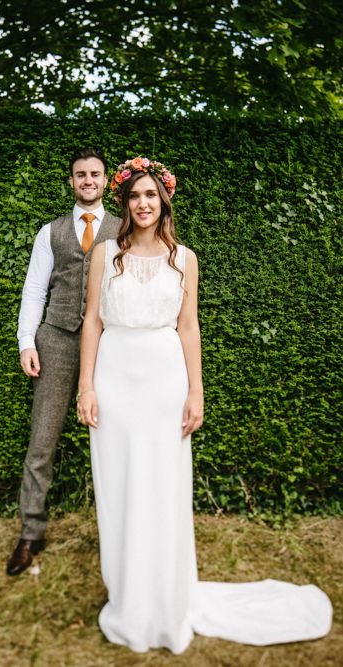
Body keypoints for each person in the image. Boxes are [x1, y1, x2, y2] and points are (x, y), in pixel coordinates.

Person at [76, 156, 332, 653]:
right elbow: (91, 322)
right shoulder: (104, 254)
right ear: (124, 203)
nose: (143, 203)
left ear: (163, 200)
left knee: (164, 487)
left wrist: (196, 390)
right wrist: (86, 387)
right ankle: (130, 596)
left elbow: (188, 326)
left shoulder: (185, 258)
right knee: (120, 485)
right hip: (115, 379)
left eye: (151, 195)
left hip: (164, 380)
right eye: (135, 196)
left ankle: (167, 598)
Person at [7, 148, 122, 576]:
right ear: (71, 182)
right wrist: (26, 342)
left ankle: (119, 530)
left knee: (115, 435)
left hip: (109, 343)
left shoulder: (124, 227)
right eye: (80, 175)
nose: (88, 180)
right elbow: (34, 290)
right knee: (42, 440)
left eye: (95, 174)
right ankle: (30, 533)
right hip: (54, 339)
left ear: (106, 181)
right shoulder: (50, 232)